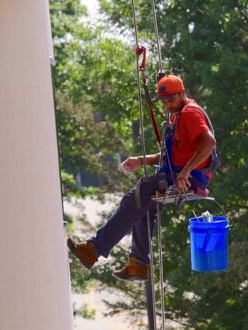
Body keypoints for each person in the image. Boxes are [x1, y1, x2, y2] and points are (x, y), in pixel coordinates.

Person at [67, 74, 217, 281]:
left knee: (137, 196)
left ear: (182, 94)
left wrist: (186, 171)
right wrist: (141, 160)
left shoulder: (190, 112)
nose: (167, 106)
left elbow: (209, 143)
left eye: (171, 100)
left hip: (188, 178)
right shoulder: (178, 116)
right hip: (177, 174)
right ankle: (138, 263)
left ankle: (95, 248)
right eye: (163, 102)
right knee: (145, 208)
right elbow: (170, 156)